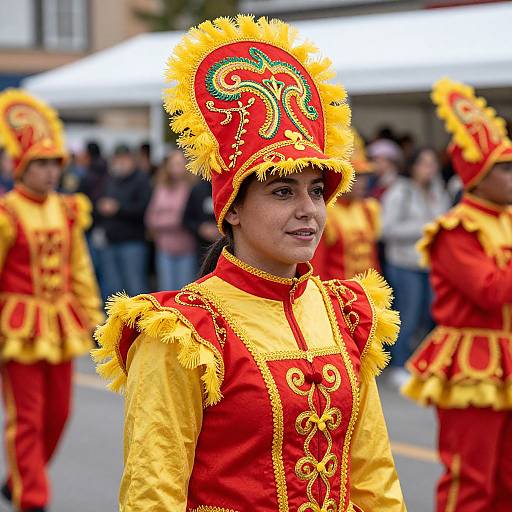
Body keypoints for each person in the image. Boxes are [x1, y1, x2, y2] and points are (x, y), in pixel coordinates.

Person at [93, 16, 406, 512]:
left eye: (316, 191)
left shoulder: (345, 311)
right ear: (231, 210)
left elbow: (373, 473)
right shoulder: (185, 332)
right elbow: (153, 491)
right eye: (282, 191)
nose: (308, 209)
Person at [402, 79, 512, 511]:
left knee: (506, 481)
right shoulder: (455, 230)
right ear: (478, 177)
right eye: (503, 168)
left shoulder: (505, 220)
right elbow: (490, 291)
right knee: (471, 480)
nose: (511, 176)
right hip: (473, 364)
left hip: (506, 357)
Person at [0, 89, 103, 512]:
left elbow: (79, 267)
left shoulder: (68, 209)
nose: (50, 173)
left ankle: (19, 481)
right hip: (18, 325)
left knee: (58, 415)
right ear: (21, 167)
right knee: (27, 419)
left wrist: (95, 317)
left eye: (54, 164)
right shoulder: (6, 214)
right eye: (40, 164)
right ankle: (33, 500)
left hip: (60, 322)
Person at [381, 146, 450, 387]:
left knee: (426, 315)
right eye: (424, 163)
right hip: (404, 263)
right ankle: (399, 365)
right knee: (406, 316)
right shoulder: (400, 191)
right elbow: (386, 229)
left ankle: (418, 363)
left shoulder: (437, 190)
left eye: (432, 164)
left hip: (429, 264)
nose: (429, 169)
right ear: (412, 166)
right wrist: (425, 227)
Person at [311, 129, 381, 280]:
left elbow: (374, 261)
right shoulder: (326, 213)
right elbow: (317, 267)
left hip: (366, 296)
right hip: (337, 297)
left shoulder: (368, 209)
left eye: (364, 176)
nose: (362, 183)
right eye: (355, 176)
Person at [95, 144, 152, 299]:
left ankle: (141, 321)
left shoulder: (141, 179)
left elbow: (143, 208)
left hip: (132, 242)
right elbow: (100, 200)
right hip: (110, 240)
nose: (121, 162)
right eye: (118, 158)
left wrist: (118, 208)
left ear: (132, 159)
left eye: (124, 158)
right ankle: (117, 322)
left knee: (135, 286)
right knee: (114, 288)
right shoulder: (111, 179)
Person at [145, 149, 196, 290]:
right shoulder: (161, 188)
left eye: (179, 164)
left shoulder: (191, 189)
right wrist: (172, 219)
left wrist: (165, 218)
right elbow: (151, 218)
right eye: (173, 164)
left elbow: (183, 218)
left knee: (184, 291)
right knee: (166, 289)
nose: (176, 168)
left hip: (186, 248)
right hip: (164, 247)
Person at [183, 179, 219, 271]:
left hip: (227, 247)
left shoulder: (228, 187)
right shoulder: (198, 189)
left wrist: (223, 230)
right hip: (202, 250)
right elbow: (186, 219)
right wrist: (200, 228)